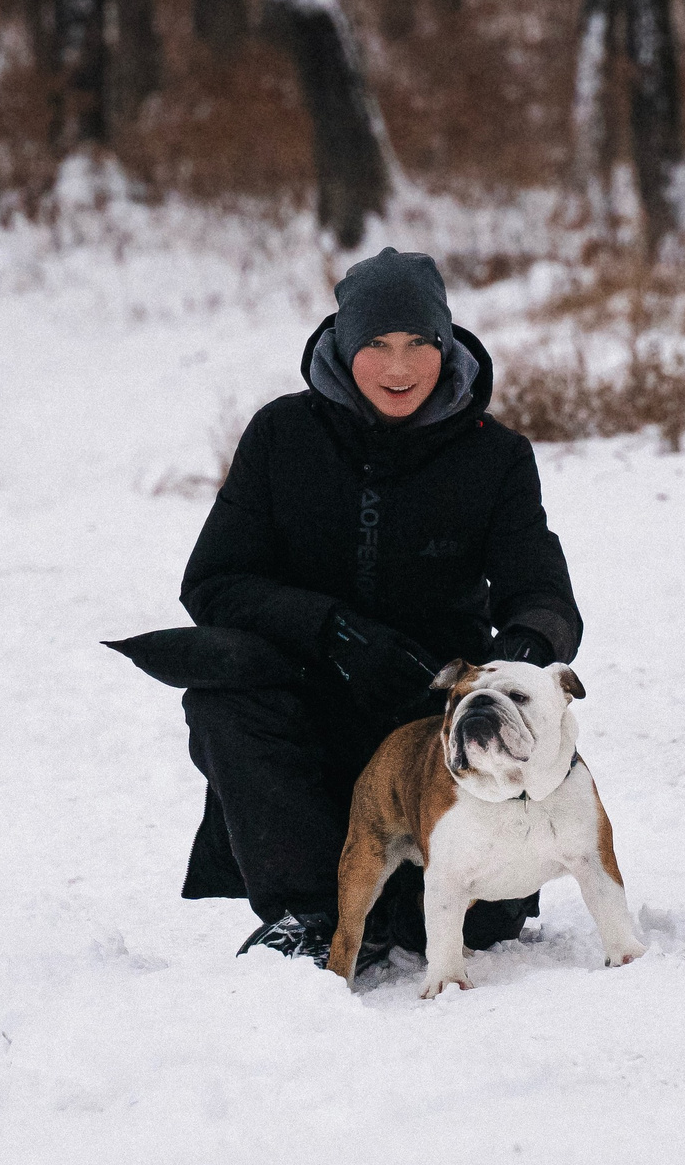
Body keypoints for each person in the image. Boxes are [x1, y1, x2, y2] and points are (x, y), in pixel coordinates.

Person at [177, 247, 583, 966]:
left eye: (420, 344)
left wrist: (515, 657)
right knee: (220, 690)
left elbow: (545, 596)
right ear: (341, 344)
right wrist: (329, 629)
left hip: (434, 726)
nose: (400, 369)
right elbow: (213, 582)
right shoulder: (281, 437)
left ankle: (414, 894)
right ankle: (307, 910)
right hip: (305, 711)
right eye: (376, 345)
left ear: (447, 343)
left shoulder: (497, 457)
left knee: (477, 928)